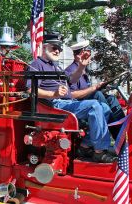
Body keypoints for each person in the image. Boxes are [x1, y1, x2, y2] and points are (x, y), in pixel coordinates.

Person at [27, 33, 116, 163]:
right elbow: (30, 90)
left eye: (60, 48)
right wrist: (53, 94)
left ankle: (85, 145)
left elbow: (72, 80)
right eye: (54, 47)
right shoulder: (37, 64)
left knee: (104, 107)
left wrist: (81, 66)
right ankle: (99, 151)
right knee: (94, 105)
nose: (58, 50)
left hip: (67, 102)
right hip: (53, 105)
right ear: (45, 47)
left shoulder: (55, 66)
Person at [65, 40, 126, 138]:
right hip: (77, 105)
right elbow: (71, 95)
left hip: (87, 101)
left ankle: (122, 132)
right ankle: (117, 137)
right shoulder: (71, 71)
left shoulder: (83, 69)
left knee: (111, 99)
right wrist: (94, 88)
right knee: (97, 94)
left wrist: (99, 86)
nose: (90, 56)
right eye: (88, 53)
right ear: (80, 54)